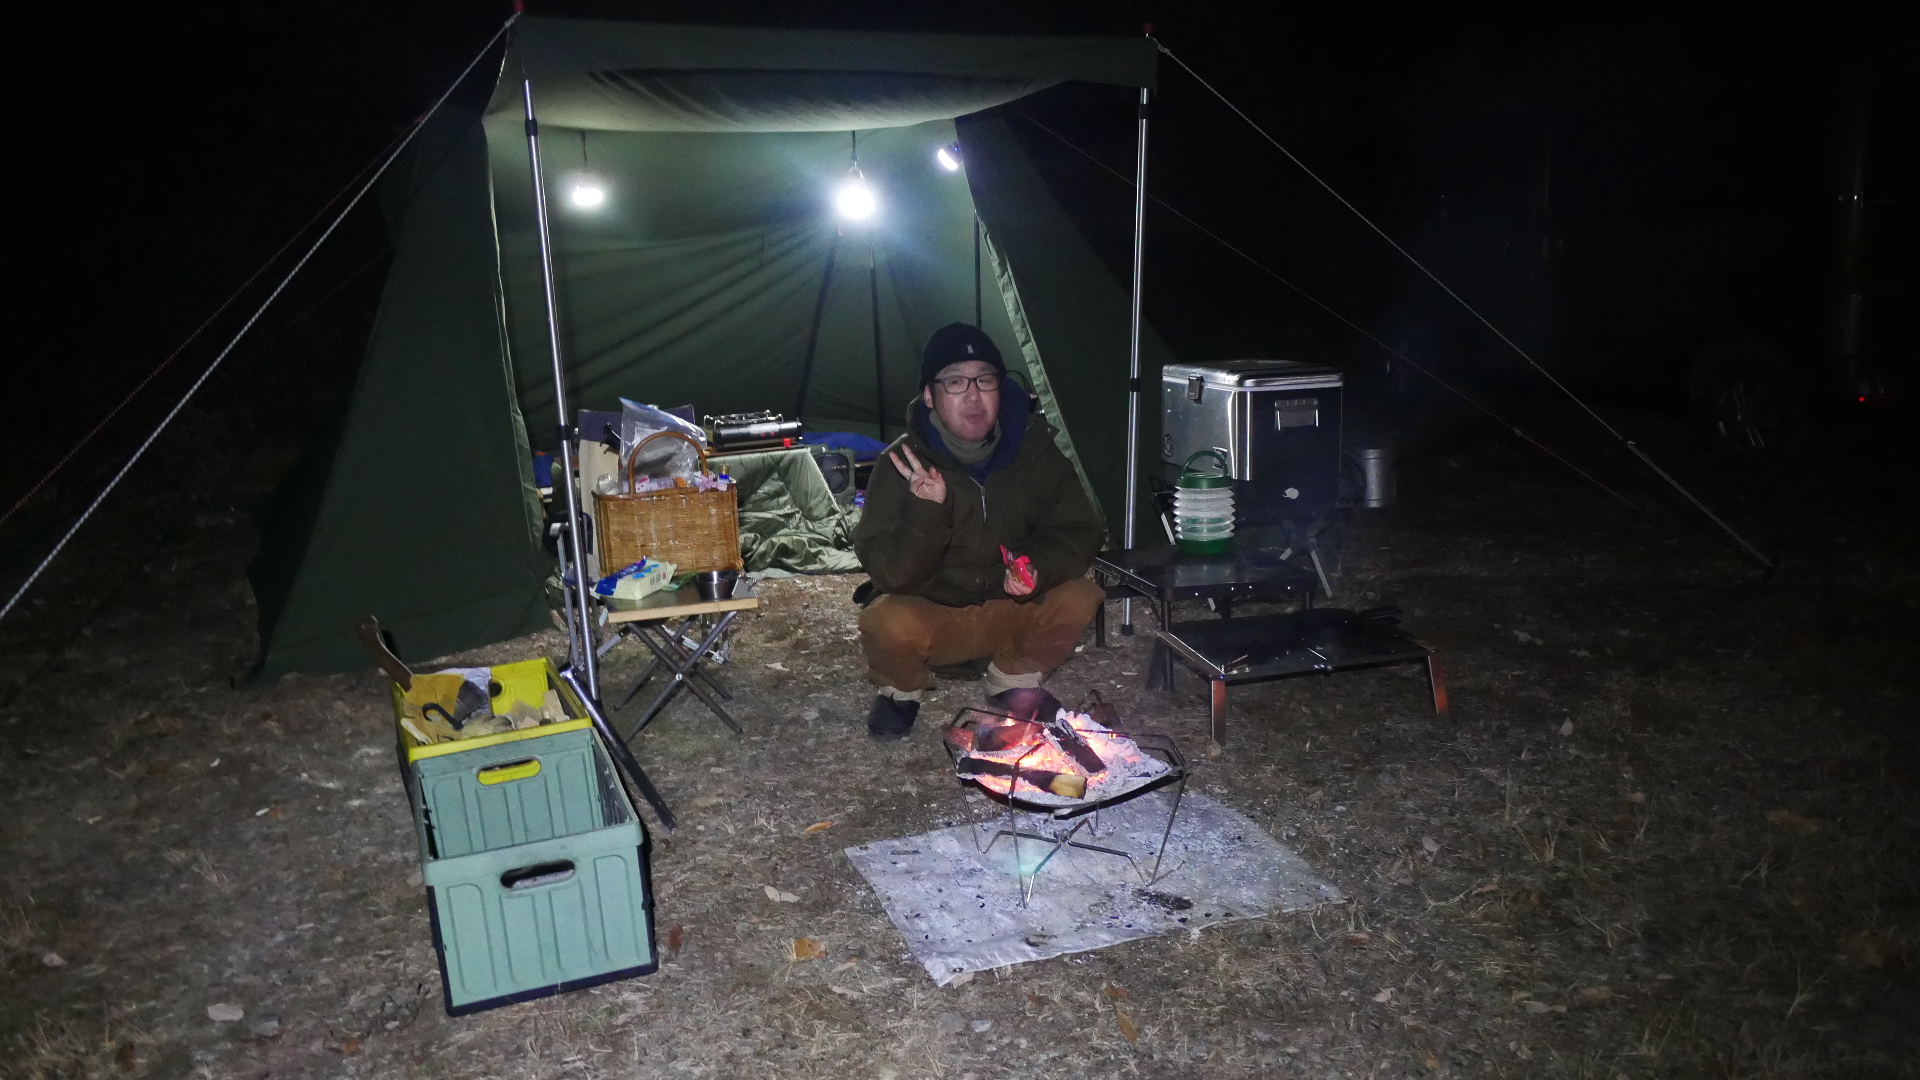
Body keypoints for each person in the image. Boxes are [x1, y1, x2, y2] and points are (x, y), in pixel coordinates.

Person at [853, 322, 1106, 740]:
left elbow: (1079, 529)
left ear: (1000, 389)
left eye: (985, 380)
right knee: (885, 623)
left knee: (1080, 595)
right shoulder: (902, 464)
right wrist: (925, 512)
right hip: (934, 612)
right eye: (955, 382)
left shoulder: (1035, 450)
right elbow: (892, 575)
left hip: (1008, 605)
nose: (973, 396)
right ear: (930, 396)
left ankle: (1012, 679)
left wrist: (1035, 566)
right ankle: (900, 691)